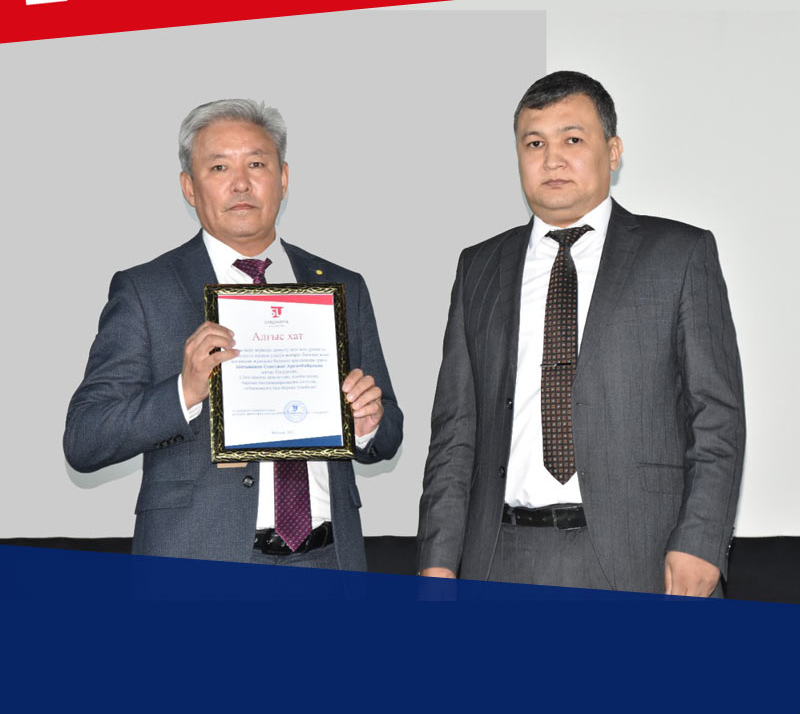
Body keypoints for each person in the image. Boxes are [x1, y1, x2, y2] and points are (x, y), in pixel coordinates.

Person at [417, 71, 744, 595]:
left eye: (572, 139)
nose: (552, 160)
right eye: (534, 144)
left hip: (643, 558)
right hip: (499, 556)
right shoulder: (478, 267)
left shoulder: (680, 254)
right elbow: (455, 431)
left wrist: (703, 540)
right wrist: (437, 561)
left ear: (612, 152)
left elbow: (716, 415)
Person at [65, 99, 402, 571]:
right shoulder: (146, 290)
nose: (241, 183)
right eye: (219, 166)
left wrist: (369, 423)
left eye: (257, 164)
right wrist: (184, 391)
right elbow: (85, 439)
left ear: (284, 178)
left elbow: (390, 429)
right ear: (189, 186)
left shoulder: (341, 286)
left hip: (329, 563)